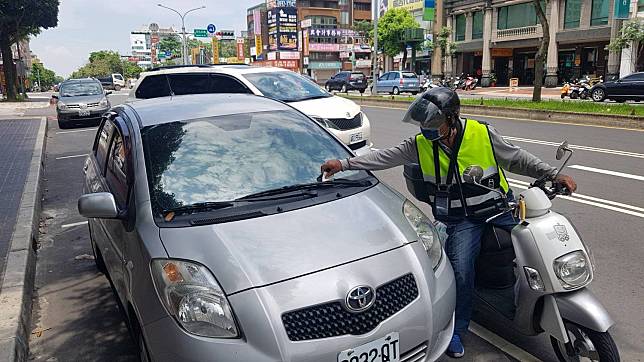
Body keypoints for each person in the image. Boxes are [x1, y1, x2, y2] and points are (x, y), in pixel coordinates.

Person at [320, 88, 576, 358]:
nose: (428, 132)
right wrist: (345, 163)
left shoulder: (481, 134)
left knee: (538, 244)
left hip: (499, 207)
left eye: (434, 126)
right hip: (463, 220)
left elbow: (517, 158)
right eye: (424, 127)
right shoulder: (420, 144)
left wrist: (552, 174)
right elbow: (384, 157)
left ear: (452, 118)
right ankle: (457, 331)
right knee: (462, 273)